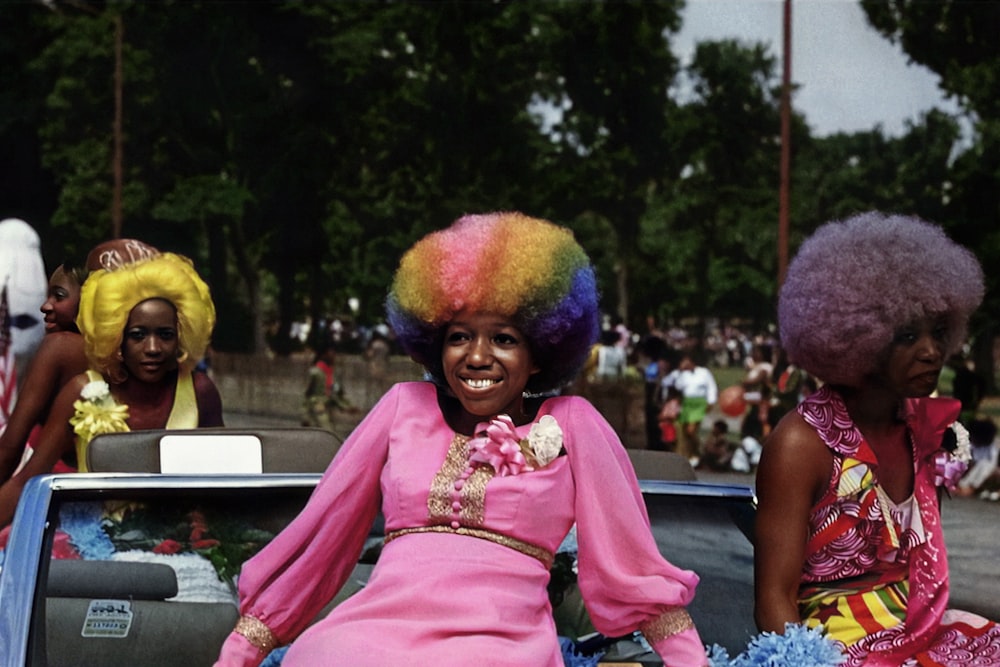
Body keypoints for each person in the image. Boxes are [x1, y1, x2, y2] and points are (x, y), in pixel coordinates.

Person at [214, 212, 708, 667]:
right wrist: (238, 654)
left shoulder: (575, 421)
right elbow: (324, 536)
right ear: (434, 343)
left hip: (501, 649)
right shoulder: (402, 406)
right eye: (458, 337)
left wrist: (690, 660)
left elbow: (633, 563)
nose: (477, 357)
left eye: (504, 339)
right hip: (366, 637)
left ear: (539, 354)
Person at [754, 212, 999, 666]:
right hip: (832, 648)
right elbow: (773, 603)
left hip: (918, 631)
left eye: (939, 332)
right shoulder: (801, 444)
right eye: (908, 335)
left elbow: (917, 571)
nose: (932, 351)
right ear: (855, 337)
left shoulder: (925, 431)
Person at [0, 251, 223, 527]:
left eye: (165, 335)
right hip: (91, 548)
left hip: (179, 544)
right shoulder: (82, 391)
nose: (152, 348)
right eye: (137, 336)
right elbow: (28, 481)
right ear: (116, 338)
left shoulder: (201, 391)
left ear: (182, 336)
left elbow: (226, 482)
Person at [0, 239, 160, 483]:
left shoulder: (60, 348)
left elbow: (9, 450)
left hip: (51, 491)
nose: (45, 306)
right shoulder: (156, 367)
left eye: (59, 296)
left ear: (93, 299)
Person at [660, 351, 718, 463]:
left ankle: (699, 450)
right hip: (687, 403)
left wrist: (711, 401)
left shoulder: (704, 372)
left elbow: (711, 387)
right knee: (683, 430)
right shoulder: (681, 374)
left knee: (691, 430)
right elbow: (667, 383)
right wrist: (679, 372)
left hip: (699, 403)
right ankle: (689, 453)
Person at [300, 342, 350, 430]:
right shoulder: (315, 372)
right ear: (323, 355)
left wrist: (348, 406)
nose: (334, 356)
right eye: (331, 353)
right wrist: (305, 416)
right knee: (325, 432)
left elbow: (337, 393)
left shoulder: (332, 373)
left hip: (329, 409)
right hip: (317, 409)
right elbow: (306, 395)